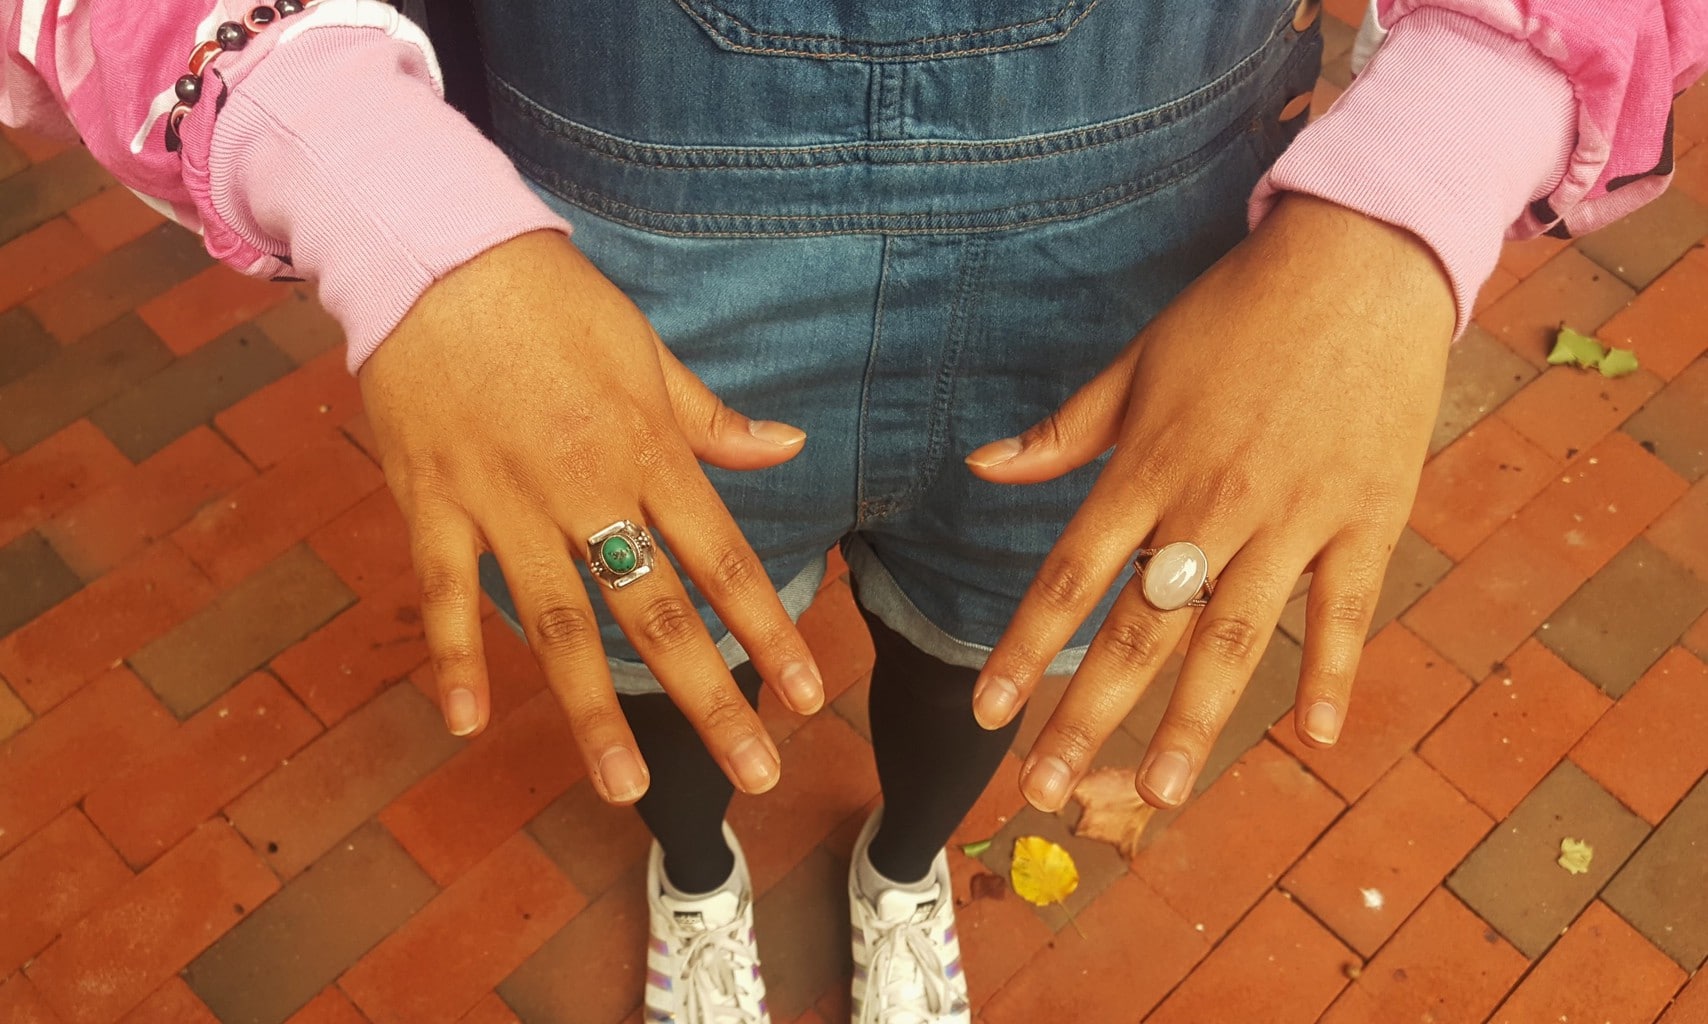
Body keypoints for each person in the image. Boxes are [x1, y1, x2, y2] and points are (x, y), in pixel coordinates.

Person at [5, 0, 1702, 1020]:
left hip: (1147, 285)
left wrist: (1424, 185)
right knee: (658, 663)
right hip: (592, 256)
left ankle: (902, 872)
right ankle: (694, 883)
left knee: (993, 646)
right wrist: (353, 174)